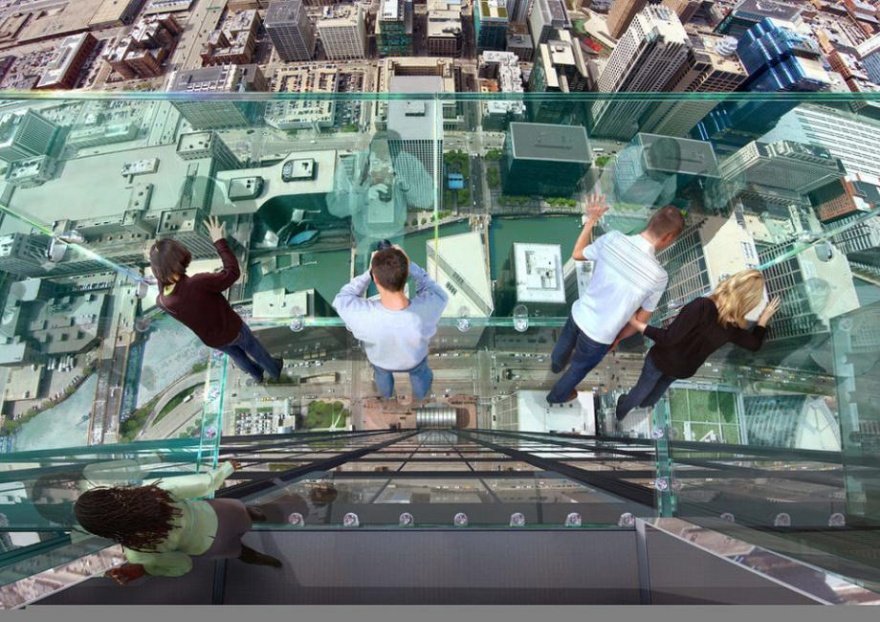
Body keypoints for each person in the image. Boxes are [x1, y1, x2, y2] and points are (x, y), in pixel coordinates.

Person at [546, 194, 685, 404]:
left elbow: (577, 254)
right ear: (668, 237)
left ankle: (556, 365)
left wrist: (591, 221)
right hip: (600, 336)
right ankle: (556, 396)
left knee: (563, 346)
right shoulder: (658, 277)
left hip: (579, 313)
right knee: (577, 369)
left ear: (651, 221)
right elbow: (641, 320)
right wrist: (618, 338)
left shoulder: (613, 239)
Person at [74, 461, 282, 585]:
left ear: (105, 531)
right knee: (245, 513)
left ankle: (265, 560)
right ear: (109, 494)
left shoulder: (136, 550)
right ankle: (259, 515)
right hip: (222, 513)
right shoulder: (151, 491)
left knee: (242, 552)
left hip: (213, 544)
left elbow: (183, 565)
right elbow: (203, 484)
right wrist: (225, 469)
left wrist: (146, 570)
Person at [617, 269, 781, 421]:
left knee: (641, 389)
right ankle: (643, 406)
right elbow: (754, 344)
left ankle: (621, 411)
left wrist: (637, 324)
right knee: (657, 391)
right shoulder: (732, 328)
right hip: (683, 369)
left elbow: (668, 338)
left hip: (662, 358)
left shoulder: (701, 306)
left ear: (733, 282)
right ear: (749, 302)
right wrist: (763, 319)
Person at [150, 216, 281, 384]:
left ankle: (257, 375)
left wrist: (156, 260)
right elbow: (232, 272)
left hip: (212, 340)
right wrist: (219, 240)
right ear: (179, 257)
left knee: (238, 356)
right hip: (232, 328)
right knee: (254, 348)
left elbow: (163, 284)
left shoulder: (162, 301)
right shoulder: (197, 283)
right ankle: (274, 370)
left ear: (158, 272)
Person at [332, 244, 448, 401]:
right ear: (406, 275)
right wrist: (410, 266)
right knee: (420, 377)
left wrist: (369, 273)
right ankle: (422, 400)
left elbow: (342, 298)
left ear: (375, 279)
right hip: (415, 361)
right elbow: (436, 291)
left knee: (382, 378)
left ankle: (387, 400)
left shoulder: (362, 315)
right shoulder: (425, 311)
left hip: (381, 362)